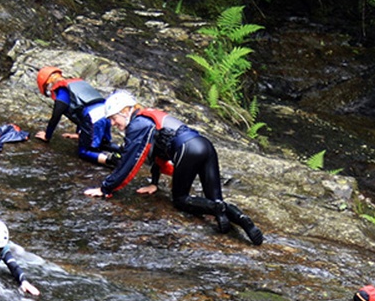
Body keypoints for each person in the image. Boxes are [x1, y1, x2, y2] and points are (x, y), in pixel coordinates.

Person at [84, 90, 264, 246]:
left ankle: (225, 210)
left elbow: (130, 161)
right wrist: (154, 183)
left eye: (114, 118)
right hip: (205, 145)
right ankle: (239, 219)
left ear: (125, 111)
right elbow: (156, 152)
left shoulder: (138, 124)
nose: (113, 124)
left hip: (187, 150)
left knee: (180, 200)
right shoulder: (147, 117)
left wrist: (105, 188)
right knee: (214, 201)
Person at [33, 66, 121, 166]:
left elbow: (56, 116)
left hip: (93, 117)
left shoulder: (62, 92)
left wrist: (47, 135)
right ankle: (124, 151)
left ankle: (113, 160)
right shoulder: (76, 84)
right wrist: (79, 134)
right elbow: (81, 108)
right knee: (103, 143)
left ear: (48, 85)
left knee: (84, 152)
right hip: (106, 113)